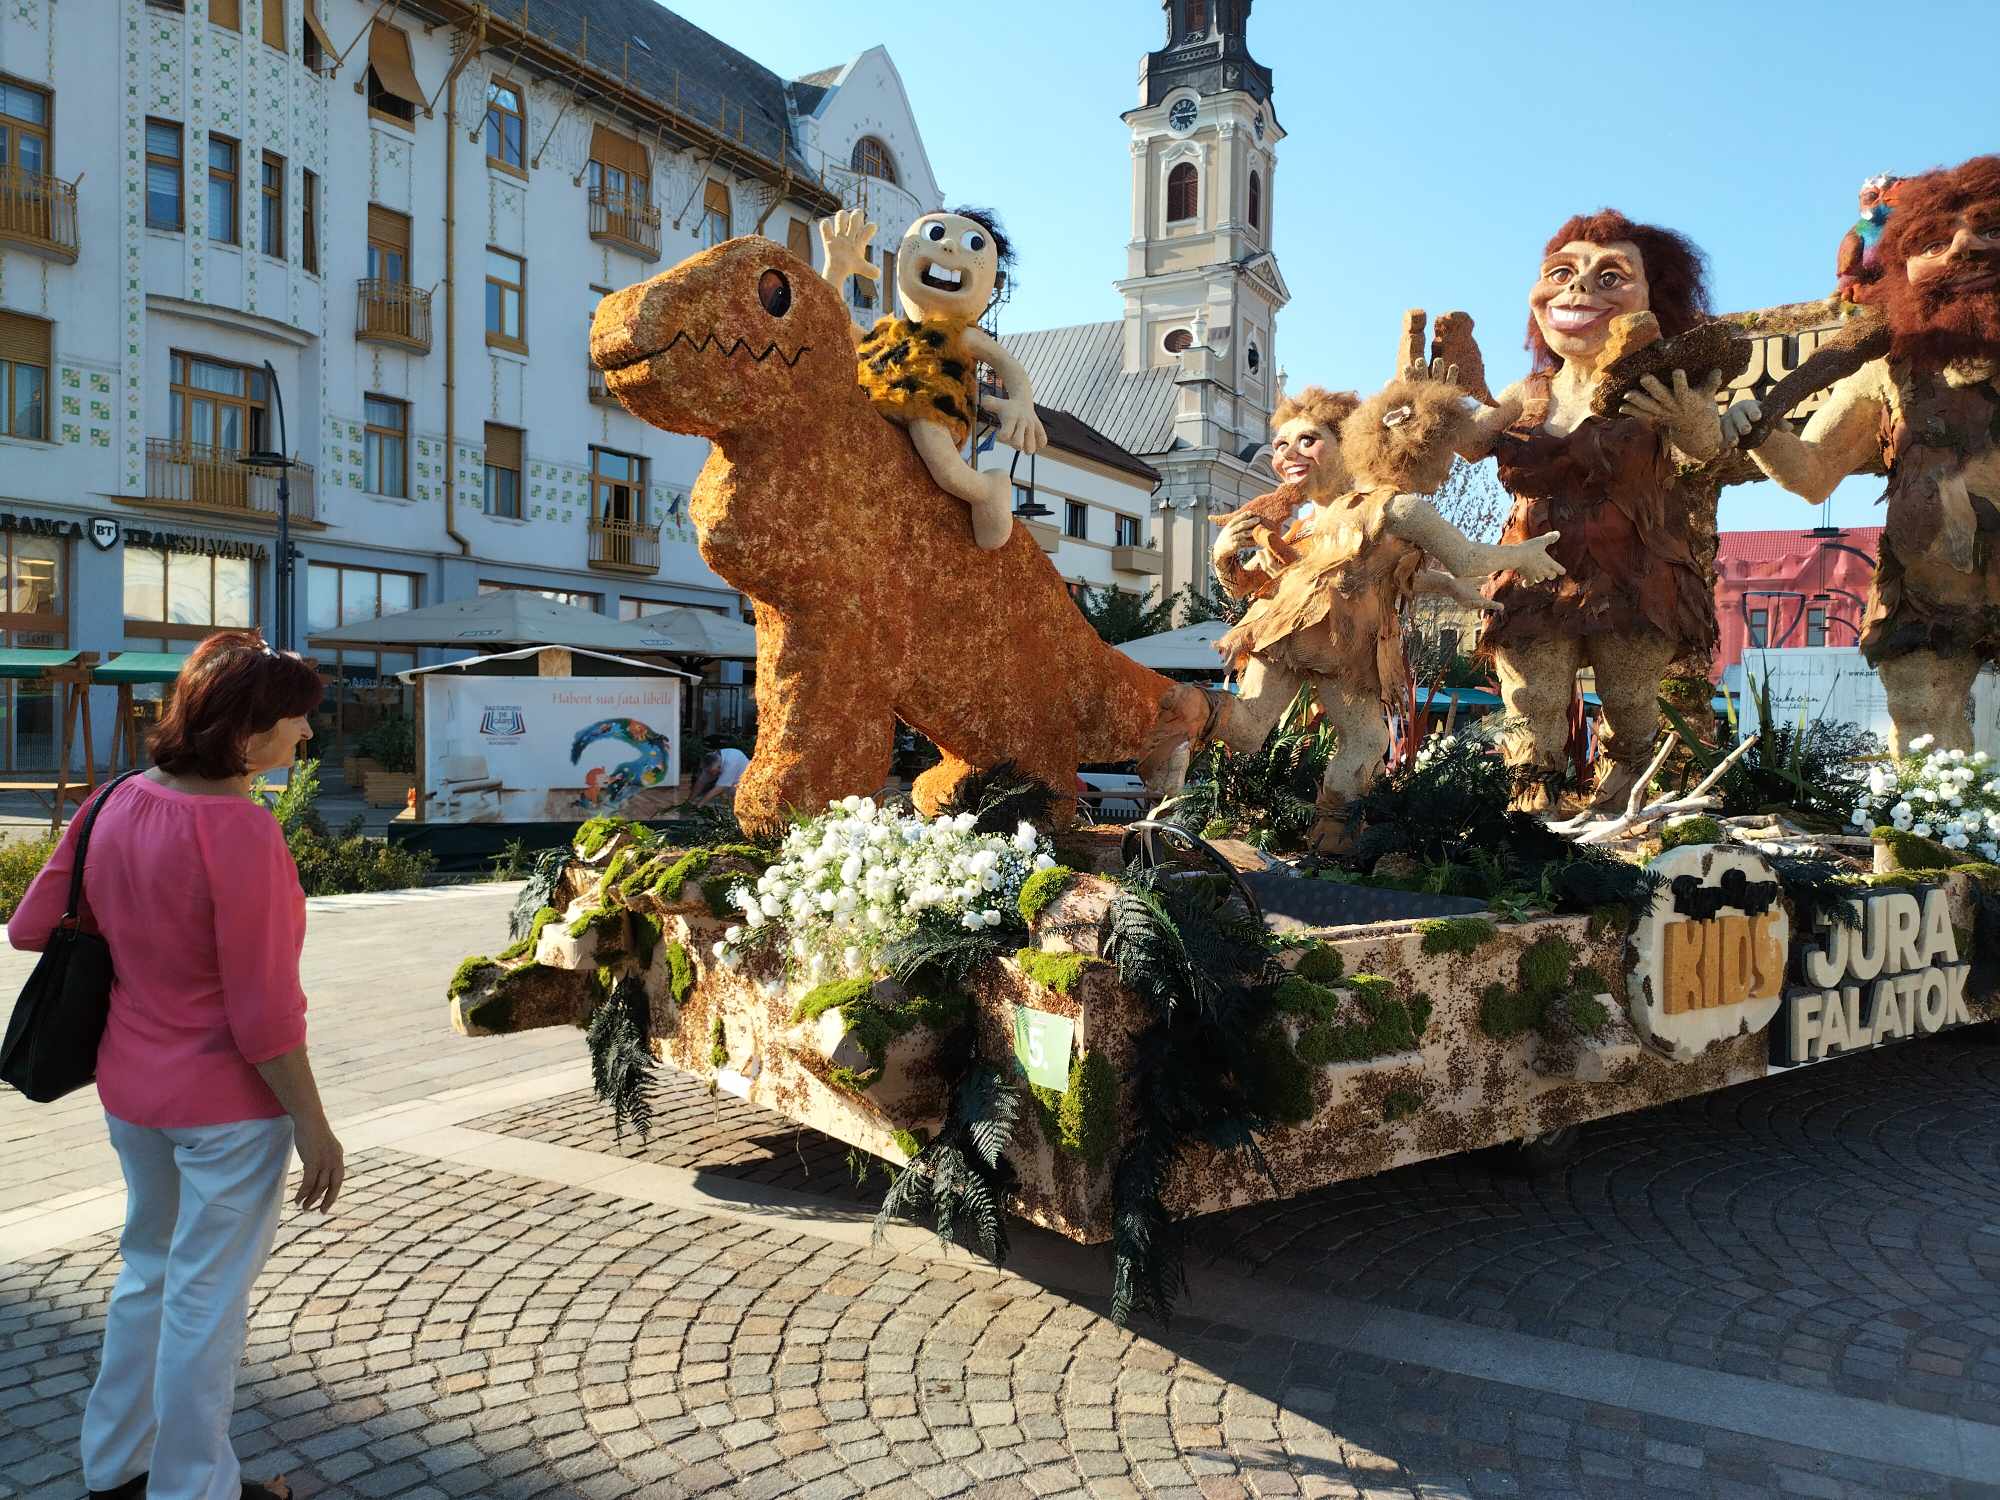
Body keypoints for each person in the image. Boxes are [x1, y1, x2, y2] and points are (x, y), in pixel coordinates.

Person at [9, 632, 339, 1500]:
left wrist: (141, 932)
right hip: (227, 1107)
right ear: (243, 733)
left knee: (148, 1275)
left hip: (131, 1089)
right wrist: (315, 1125)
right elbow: (264, 1015)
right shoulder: (241, 831)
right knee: (206, 1303)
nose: (306, 736)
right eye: (296, 721)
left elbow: (28, 927)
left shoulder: (114, 799)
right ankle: (193, 1489)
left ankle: (117, 1467)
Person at [1724, 154, 2000, 753]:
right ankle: (1931, 835)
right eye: (1932, 241)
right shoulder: (1885, 369)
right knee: (1925, 730)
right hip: (1928, 585)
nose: (1962, 250)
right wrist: (1759, 435)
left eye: (1992, 231)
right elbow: (1814, 472)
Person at [1452, 211, 1726, 811]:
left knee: (1629, 698)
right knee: (1532, 698)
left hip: (1634, 570)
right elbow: (1469, 442)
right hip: (1533, 571)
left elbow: (1703, 447)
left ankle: (1625, 797)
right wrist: (1429, 403)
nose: (1578, 289)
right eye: (1562, 272)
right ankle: (1531, 809)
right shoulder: (1529, 393)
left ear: (1657, 298)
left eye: (1611, 277)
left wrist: (1688, 417)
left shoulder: (1657, 385)